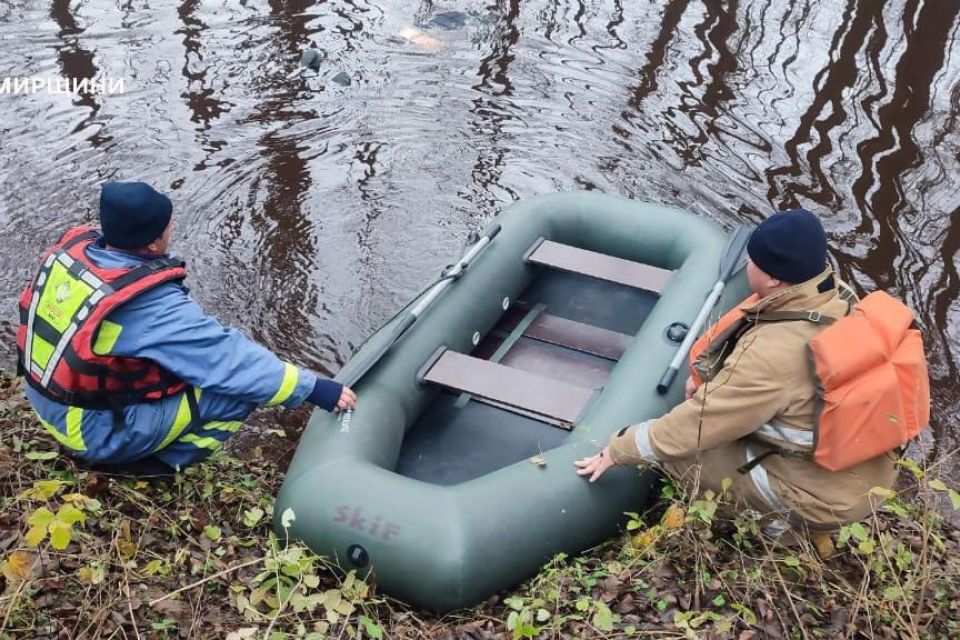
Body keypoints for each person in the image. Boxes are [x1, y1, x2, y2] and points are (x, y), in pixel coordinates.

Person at [575, 209, 898, 533]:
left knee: (683, 459)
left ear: (773, 279)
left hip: (821, 495)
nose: (746, 265)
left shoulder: (775, 354)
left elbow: (699, 426)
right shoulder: (836, 294)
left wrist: (621, 447)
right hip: (866, 472)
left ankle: (775, 529)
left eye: (753, 260)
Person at [17, 181, 356, 474]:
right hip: (88, 432)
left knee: (185, 370)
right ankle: (158, 468)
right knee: (234, 392)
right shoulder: (151, 308)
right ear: (153, 243)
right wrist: (314, 389)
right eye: (168, 227)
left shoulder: (77, 254)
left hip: (43, 398)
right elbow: (229, 360)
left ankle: (141, 445)